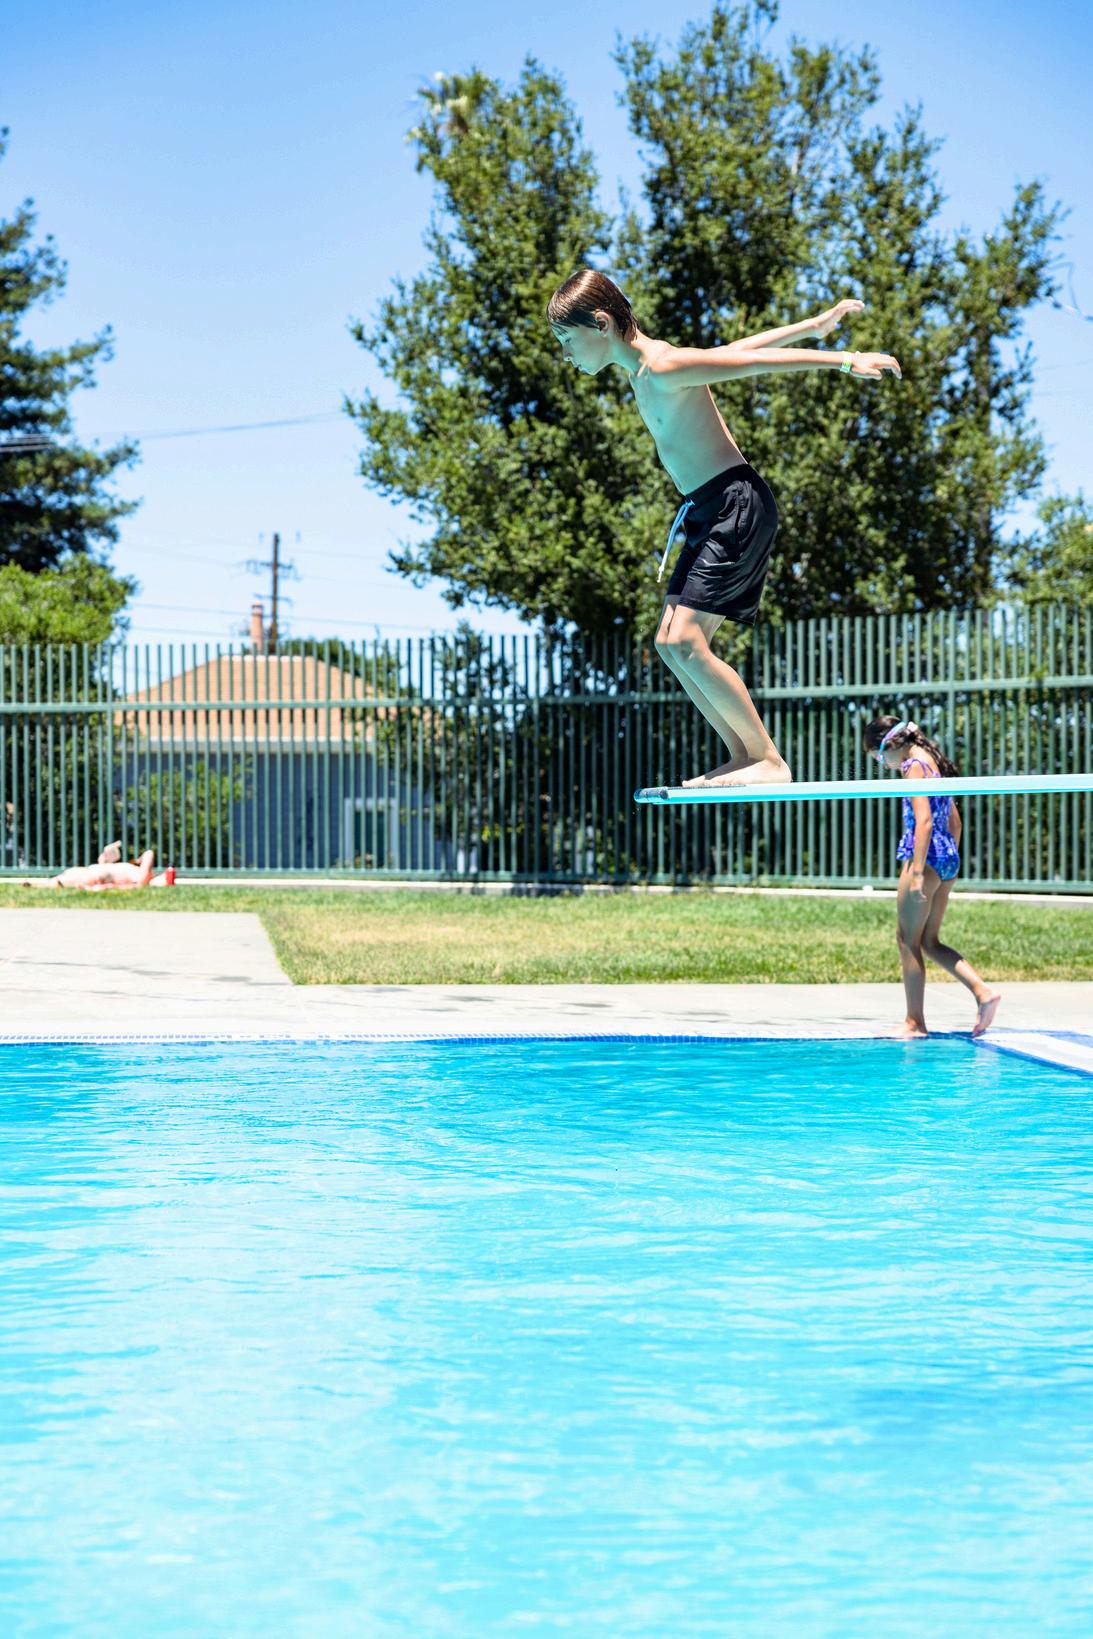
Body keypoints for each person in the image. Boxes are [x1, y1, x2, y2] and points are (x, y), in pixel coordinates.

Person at [547, 267, 901, 785]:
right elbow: (735, 349)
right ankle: (743, 755)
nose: (566, 354)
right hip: (706, 509)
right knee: (670, 643)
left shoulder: (662, 365)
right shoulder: (645, 370)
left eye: (566, 340)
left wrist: (846, 359)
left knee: (687, 640)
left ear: (600, 324)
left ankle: (769, 760)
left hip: (736, 505)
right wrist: (812, 326)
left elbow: (751, 364)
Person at [864, 716, 1000, 1039]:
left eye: (880, 757)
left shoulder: (912, 766)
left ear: (891, 744)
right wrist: (948, 860)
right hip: (947, 857)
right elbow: (955, 822)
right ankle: (983, 992)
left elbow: (923, 821)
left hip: (925, 860)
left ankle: (915, 1022)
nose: (884, 765)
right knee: (929, 941)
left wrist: (916, 873)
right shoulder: (933, 762)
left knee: (906, 939)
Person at [22, 848, 174, 891]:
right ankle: (37, 884)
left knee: (62, 880)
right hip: (95, 873)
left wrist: (139, 860)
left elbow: (149, 853)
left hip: (95, 873)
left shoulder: (141, 877)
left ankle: (36, 884)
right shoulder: (137, 874)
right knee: (63, 880)